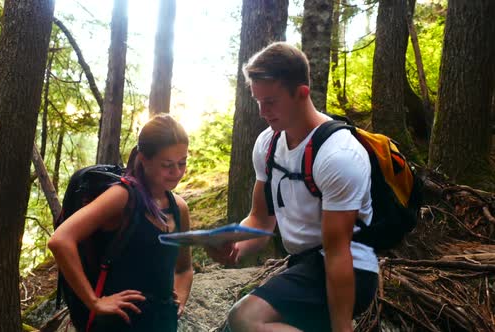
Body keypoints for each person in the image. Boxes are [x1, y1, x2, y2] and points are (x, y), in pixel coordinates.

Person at [206, 42, 378, 332]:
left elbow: (339, 254)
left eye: (270, 102)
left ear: (301, 94)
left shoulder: (338, 156)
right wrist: (235, 244)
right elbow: (261, 220)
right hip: (304, 266)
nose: (262, 111)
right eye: (257, 100)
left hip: (350, 270)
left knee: (245, 318)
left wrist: (341, 328)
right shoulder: (268, 144)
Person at [48, 114, 193, 332]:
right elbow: (60, 240)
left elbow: (184, 268)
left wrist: (179, 298)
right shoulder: (123, 197)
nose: (177, 172)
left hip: (163, 324)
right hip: (118, 325)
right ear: (144, 159)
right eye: (167, 165)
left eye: (182, 163)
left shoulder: (178, 207)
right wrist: (94, 301)